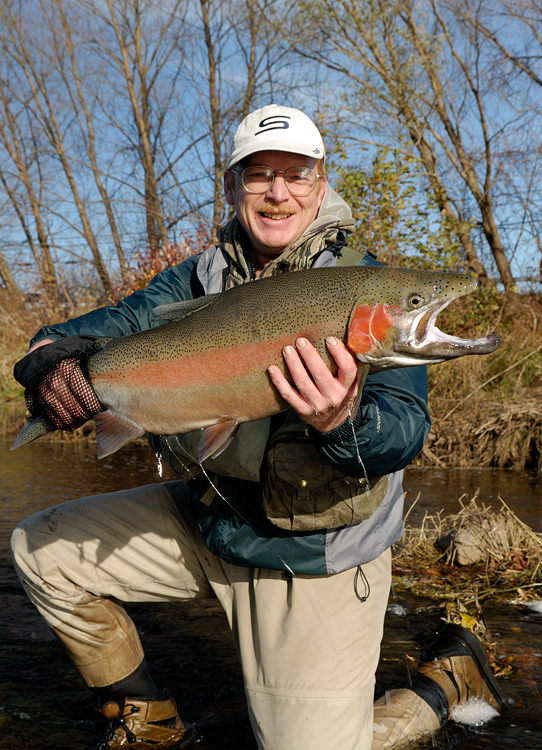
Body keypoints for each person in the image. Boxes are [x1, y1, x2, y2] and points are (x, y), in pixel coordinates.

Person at [10, 104, 505, 750]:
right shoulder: (194, 279)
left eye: (296, 174)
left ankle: (444, 684)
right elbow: (92, 331)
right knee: (40, 548)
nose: (278, 192)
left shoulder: (360, 281)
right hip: (212, 520)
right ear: (232, 189)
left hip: (314, 558)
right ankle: (148, 720)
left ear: (321, 185)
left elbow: (404, 431)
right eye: (258, 175)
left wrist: (341, 422)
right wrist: (49, 360)